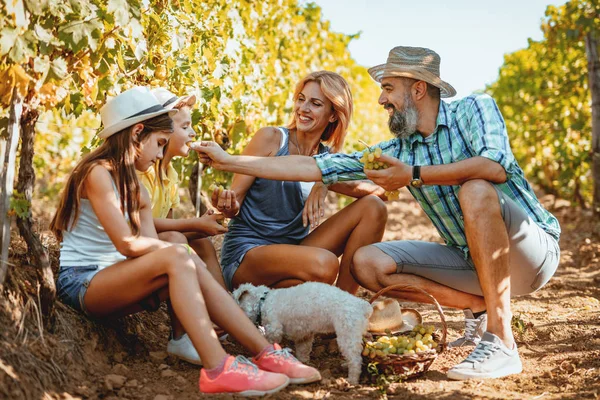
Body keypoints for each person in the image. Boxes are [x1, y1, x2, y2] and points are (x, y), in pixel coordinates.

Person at [194, 47, 561, 380]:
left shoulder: (474, 108)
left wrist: (413, 176)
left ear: (417, 90)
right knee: (366, 263)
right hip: (473, 264)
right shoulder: (397, 149)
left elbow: (495, 166)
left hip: (529, 254)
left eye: (388, 88)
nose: (381, 98)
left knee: (476, 188)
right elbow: (318, 167)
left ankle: (502, 340)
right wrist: (230, 160)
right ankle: (479, 308)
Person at [50, 86, 321, 396]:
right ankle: (219, 368)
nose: (159, 154)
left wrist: (178, 263)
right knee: (179, 254)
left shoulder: (135, 184)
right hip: (83, 282)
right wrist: (179, 254)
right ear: (138, 132)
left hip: (112, 279)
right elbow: (128, 245)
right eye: (159, 143)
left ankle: (266, 353)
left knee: (180, 256)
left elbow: (148, 244)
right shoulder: (98, 173)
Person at [206, 70, 388, 294]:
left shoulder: (326, 159)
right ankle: (325, 303)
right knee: (325, 264)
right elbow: (234, 206)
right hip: (250, 256)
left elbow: (380, 193)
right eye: (301, 99)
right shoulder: (271, 138)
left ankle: (344, 306)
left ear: (333, 115)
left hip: (297, 255)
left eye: (315, 103)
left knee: (373, 208)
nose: (303, 108)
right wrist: (227, 205)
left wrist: (325, 181)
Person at [137, 88, 227, 291]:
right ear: (164, 131)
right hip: (136, 245)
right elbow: (143, 225)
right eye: (185, 127)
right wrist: (195, 222)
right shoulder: (142, 171)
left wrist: (207, 224)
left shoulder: (171, 174)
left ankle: (226, 304)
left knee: (202, 241)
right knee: (177, 239)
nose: (193, 133)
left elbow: (168, 224)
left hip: (154, 243)